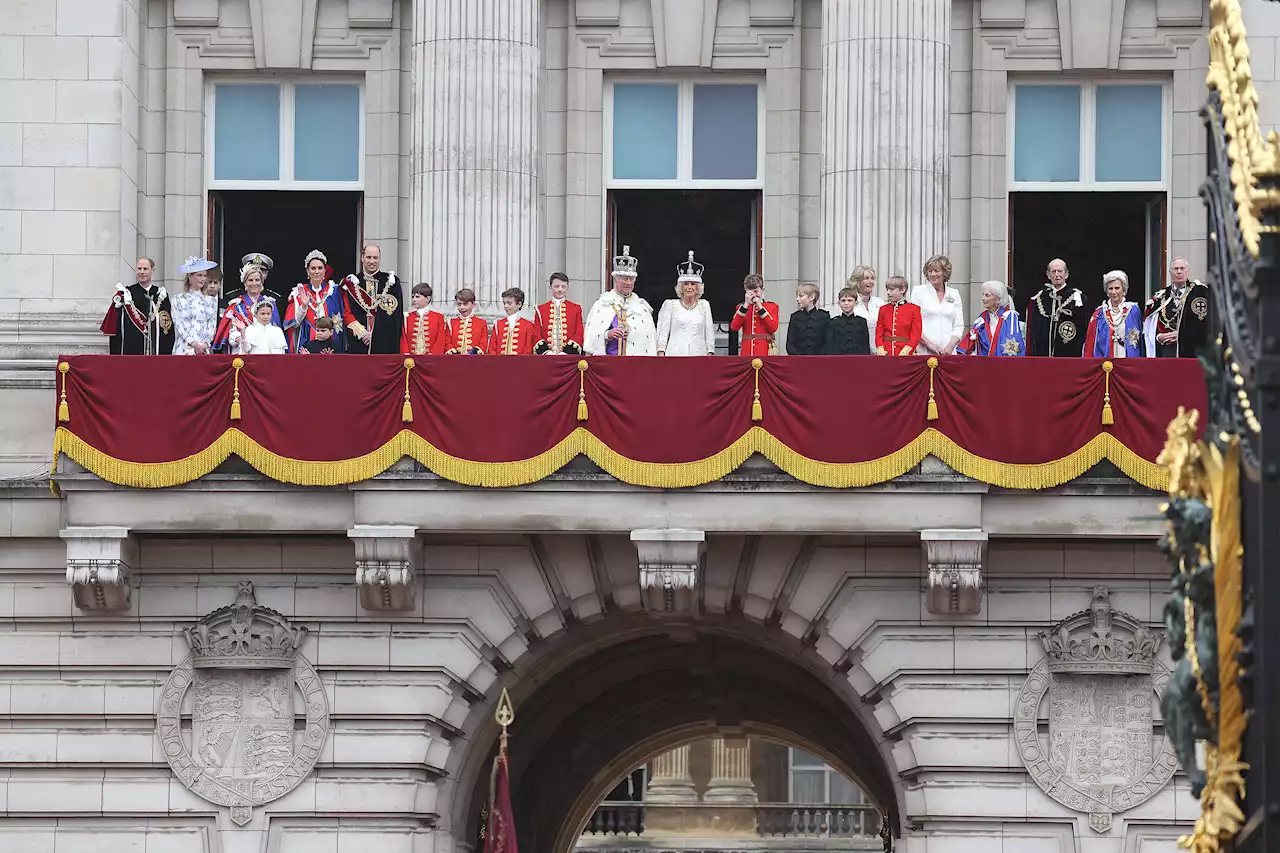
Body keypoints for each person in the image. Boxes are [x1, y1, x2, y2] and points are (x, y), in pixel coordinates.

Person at [585, 245, 658, 356]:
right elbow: (591, 337)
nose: (628, 283)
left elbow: (650, 341)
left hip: (635, 364)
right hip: (609, 363)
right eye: (625, 279)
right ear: (616, 279)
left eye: (631, 279)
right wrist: (607, 335)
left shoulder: (642, 307)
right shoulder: (601, 304)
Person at [100, 257, 174, 355]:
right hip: (131, 351)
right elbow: (116, 327)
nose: (142, 272)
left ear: (152, 270)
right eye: (139, 269)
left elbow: (167, 327)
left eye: (145, 269)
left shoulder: (160, 295)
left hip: (155, 352)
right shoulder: (126, 295)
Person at [341, 244, 404, 354]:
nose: (372, 261)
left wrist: (375, 335)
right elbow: (347, 313)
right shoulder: (352, 283)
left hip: (384, 344)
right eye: (368, 257)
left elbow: (395, 315)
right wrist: (363, 333)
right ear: (362, 258)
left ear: (380, 259)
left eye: (375, 258)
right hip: (359, 343)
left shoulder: (391, 282)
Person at [1142, 257, 1210, 358]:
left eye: (1182, 268)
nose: (1179, 272)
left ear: (1188, 271)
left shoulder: (1200, 292)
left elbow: (1206, 324)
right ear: (1170, 272)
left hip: (1192, 352)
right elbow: (1152, 324)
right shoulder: (1162, 296)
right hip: (1168, 352)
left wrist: (1182, 335)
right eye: (1176, 269)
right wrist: (1158, 337)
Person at [284, 250, 346, 353]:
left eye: (320, 268)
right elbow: (294, 325)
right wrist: (303, 307)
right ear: (308, 271)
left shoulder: (334, 292)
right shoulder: (299, 292)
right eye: (313, 268)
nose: (317, 272)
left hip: (330, 347)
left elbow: (341, 320)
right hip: (308, 345)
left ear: (325, 271)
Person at [656, 251, 716, 357]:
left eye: (693, 284)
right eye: (686, 284)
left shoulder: (704, 305)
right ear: (681, 288)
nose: (689, 287)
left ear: (697, 288)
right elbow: (663, 333)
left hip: (699, 356)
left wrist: (710, 354)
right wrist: (661, 354)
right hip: (674, 356)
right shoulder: (671, 305)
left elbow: (709, 333)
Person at [214, 263, 283, 353]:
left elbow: (276, 330)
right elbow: (232, 333)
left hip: (265, 351)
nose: (254, 283)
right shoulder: (236, 305)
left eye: (257, 280)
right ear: (245, 282)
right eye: (250, 280)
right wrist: (242, 339)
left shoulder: (270, 304)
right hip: (242, 351)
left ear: (262, 282)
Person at [1026, 258, 1088, 357]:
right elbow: (1031, 332)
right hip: (1043, 356)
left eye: (1060, 271)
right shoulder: (1038, 299)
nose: (1056, 274)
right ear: (1048, 275)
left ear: (1066, 274)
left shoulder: (1078, 298)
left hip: (1069, 354)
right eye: (1053, 271)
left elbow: (1084, 329)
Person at [911, 255, 964, 355]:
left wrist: (950, 346)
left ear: (944, 272)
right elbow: (913, 324)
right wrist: (929, 344)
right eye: (930, 271)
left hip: (948, 353)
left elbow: (959, 326)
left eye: (936, 271)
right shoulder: (918, 291)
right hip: (923, 352)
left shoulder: (954, 293)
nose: (933, 274)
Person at [1084, 271, 1145, 359]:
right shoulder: (1099, 314)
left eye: (1117, 288)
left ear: (1124, 290)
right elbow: (1090, 343)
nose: (1113, 292)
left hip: (1128, 361)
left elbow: (1141, 341)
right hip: (1106, 363)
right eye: (1110, 288)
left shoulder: (1133, 310)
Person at [958, 280, 1025, 357]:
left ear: (998, 299)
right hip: (983, 365)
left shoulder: (1010, 316)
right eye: (983, 295)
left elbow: (1014, 345)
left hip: (1003, 364)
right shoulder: (982, 318)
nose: (983, 298)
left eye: (987, 295)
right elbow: (969, 340)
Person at [171, 256, 219, 355]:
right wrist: (193, 343)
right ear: (190, 276)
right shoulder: (178, 299)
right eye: (199, 275)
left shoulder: (211, 301)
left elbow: (212, 325)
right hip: (184, 348)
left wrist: (205, 344)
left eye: (204, 276)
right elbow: (179, 324)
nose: (202, 279)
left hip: (204, 349)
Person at [534, 272, 585, 355]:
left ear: (567, 288)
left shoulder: (576, 308)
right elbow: (536, 334)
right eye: (556, 286)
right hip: (545, 358)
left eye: (563, 287)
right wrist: (546, 352)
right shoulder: (540, 309)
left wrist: (567, 352)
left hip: (568, 357)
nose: (560, 289)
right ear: (550, 287)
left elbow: (579, 332)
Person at [730, 273, 779, 357]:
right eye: (750, 292)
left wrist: (760, 306)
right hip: (746, 351)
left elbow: (773, 328)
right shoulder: (741, 307)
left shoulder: (772, 306)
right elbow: (734, 327)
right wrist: (745, 305)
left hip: (764, 351)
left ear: (762, 290)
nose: (753, 295)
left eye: (756, 291)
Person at [875, 276, 923, 356]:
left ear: (902, 290)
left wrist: (907, 350)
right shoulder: (883, 309)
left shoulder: (914, 309)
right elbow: (879, 333)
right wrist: (880, 348)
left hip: (905, 352)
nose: (888, 292)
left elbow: (916, 335)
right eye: (887, 289)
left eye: (891, 289)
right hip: (886, 353)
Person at [402, 283, 452, 356]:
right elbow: (404, 339)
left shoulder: (438, 317)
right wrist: (406, 354)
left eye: (417, 297)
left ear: (427, 299)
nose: (414, 300)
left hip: (432, 360)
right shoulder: (407, 317)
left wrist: (434, 355)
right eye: (413, 297)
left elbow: (440, 339)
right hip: (411, 361)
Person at [488, 288, 539, 355]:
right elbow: (492, 348)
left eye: (509, 303)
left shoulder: (528, 325)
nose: (505, 306)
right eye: (504, 303)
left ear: (519, 304)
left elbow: (528, 349)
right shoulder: (498, 324)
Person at [826, 286, 871, 355]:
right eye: (843, 300)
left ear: (856, 303)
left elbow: (865, 345)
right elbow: (830, 346)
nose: (846, 303)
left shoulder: (862, 322)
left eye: (850, 300)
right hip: (838, 360)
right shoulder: (833, 322)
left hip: (857, 360)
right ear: (839, 303)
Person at [787, 282, 828, 355]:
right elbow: (790, 343)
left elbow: (827, 342)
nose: (797, 299)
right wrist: (799, 357)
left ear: (812, 297)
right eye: (797, 296)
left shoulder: (824, 316)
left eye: (801, 296)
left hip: (819, 361)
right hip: (799, 360)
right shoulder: (795, 317)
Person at [848, 265, 884, 348]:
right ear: (857, 281)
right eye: (866, 278)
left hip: (879, 350)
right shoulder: (848, 302)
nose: (870, 281)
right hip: (857, 350)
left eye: (872, 278)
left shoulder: (880, 302)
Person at [447, 288, 489, 355]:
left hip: (474, 361)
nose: (462, 307)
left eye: (465, 304)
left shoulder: (481, 323)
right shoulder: (451, 323)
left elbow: (483, 343)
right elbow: (447, 342)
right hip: (455, 361)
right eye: (459, 304)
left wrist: (475, 352)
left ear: (473, 304)